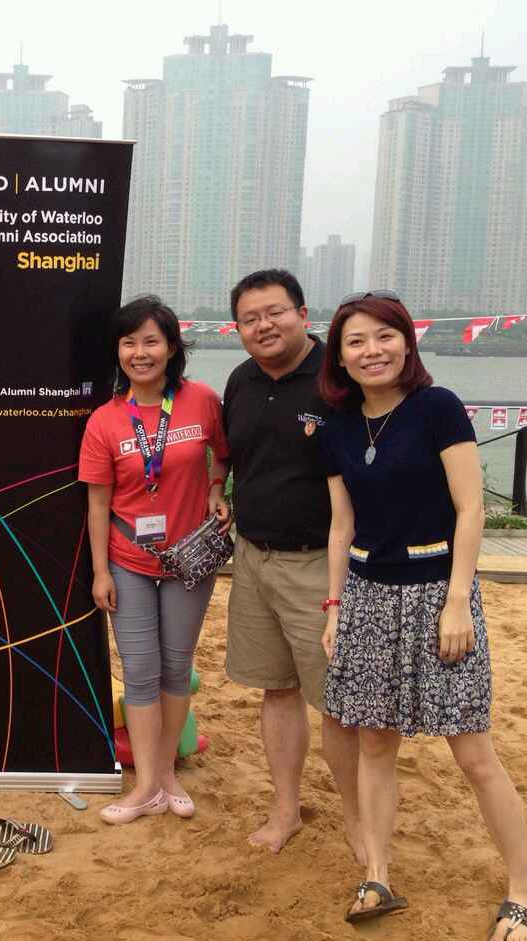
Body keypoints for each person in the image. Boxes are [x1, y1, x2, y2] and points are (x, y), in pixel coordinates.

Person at [318, 291, 527, 941]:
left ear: (407, 342)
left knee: (472, 751)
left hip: (437, 592)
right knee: (375, 743)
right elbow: (341, 525)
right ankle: (379, 875)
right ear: (341, 354)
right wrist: (334, 608)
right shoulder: (336, 425)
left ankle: (523, 887)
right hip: (365, 594)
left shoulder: (437, 408)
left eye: (384, 336)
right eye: (356, 341)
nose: (372, 350)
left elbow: (471, 509)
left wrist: (455, 600)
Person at [220, 269, 362, 860]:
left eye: (274, 312)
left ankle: (360, 824)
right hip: (252, 559)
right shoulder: (240, 381)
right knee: (275, 691)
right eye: (250, 319)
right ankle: (287, 809)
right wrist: (215, 489)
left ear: (304, 313)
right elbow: (230, 456)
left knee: (339, 703)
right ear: (239, 329)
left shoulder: (340, 378)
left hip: (320, 567)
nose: (263, 326)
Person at [78, 295, 230, 825]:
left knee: (175, 667)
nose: (140, 353)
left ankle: (166, 773)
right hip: (127, 559)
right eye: (129, 342)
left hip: (191, 560)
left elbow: (225, 452)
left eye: (151, 341)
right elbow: (97, 501)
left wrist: (216, 487)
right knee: (140, 670)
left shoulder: (203, 401)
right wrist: (99, 570)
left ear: (171, 347)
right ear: (117, 351)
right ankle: (144, 784)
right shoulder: (105, 420)